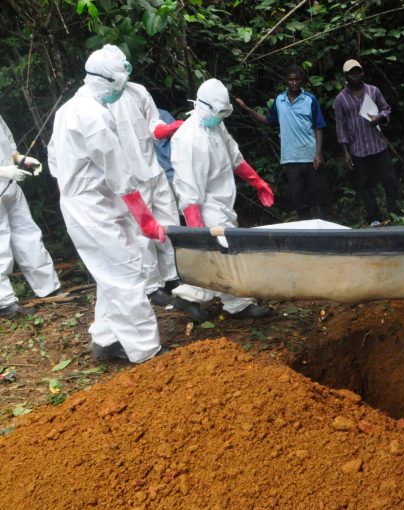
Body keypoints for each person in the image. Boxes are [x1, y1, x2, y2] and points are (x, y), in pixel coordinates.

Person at [48, 46, 166, 362]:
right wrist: (145, 219)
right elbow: (120, 175)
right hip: (94, 207)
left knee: (107, 272)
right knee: (126, 272)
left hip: (83, 203)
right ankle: (147, 351)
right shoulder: (95, 116)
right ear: (111, 81)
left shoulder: (68, 109)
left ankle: (106, 338)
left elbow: (54, 162)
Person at [170, 78, 275, 321]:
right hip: (203, 205)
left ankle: (190, 297)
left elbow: (235, 157)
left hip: (222, 202)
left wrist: (257, 182)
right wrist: (197, 231)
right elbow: (188, 190)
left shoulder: (215, 125)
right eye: (219, 112)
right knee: (226, 255)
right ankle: (236, 304)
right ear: (203, 106)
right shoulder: (189, 138)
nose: (221, 117)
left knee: (218, 256)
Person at [102, 45, 185, 307]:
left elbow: (152, 121)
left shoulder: (138, 91)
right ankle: (152, 285)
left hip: (153, 168)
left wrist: (165, 129)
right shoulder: (102, 101)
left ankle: (174, 276)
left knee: (168, 221)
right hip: (129, 178)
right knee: (143, 231)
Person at [235, 64, 331, 220]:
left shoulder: (310, 100)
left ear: (302, 81)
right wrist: (247, 109)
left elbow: (319, 127)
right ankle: (305, 228)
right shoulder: (280, 100)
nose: (294, 83)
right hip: (290, 158)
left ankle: (323, 229)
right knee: (298, 197)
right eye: (291, 80)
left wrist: (318, 154)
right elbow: (269, 120)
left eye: (297, 79)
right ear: (286, 81)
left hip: (310, 156)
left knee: (318, 194)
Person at [0, 115, 61, 317]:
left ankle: (49, 288)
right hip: (4, 177)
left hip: (10, 186)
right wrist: (2, 171)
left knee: (29, 234)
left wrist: (21, 159)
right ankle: (5, 303)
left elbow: (8, 145)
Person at [333, 59, 401, 226]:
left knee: (390, 181)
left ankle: (394, 213)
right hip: (358, 150)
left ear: (362, 73)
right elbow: (340, 127)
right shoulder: (340, 99)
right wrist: (346, 153)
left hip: (378, 145)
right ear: (345, 76)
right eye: (351, 73)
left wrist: (380, 117)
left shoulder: (373, 90)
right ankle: (374, 218)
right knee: (364, 186)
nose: (355, 75)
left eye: (357, 71)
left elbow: (386, 108)